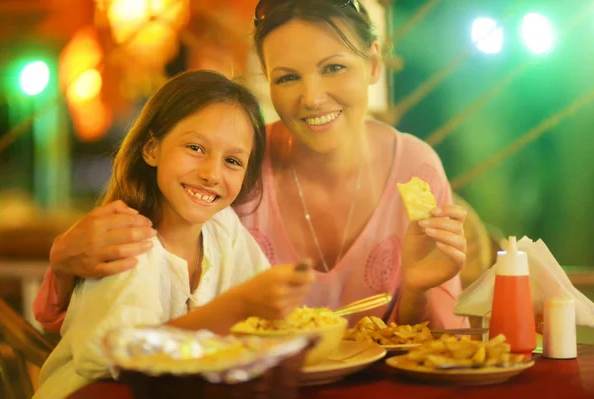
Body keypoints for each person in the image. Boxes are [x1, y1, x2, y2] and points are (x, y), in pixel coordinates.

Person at [34, 0, 467, 331]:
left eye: (334, 67)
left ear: (373, 63)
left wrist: (417, 289)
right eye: (288, 77)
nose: (312, 97)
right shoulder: (233, 168)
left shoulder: (416, 167)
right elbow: (106, 326)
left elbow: (438, 349)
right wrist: (65, 262)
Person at [33, 70, 314, 399]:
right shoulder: (126, 239)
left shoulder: (224, 228)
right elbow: (117, 356)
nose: (211, 173)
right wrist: (239, 306)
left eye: (233, 161)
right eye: (195, 147)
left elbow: (267, 324)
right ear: (151, 149)